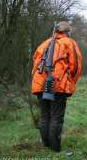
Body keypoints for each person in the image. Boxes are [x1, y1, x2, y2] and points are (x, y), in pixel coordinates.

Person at [31, 21, 82, 152]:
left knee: (44, 116)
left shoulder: (44, 44)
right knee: (56, 117)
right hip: (58, 84)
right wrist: (70, 82)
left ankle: (46, 146)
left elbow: (35, 64)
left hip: (39, 84)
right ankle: (54, 149)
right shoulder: (69, 42)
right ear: (67, 32)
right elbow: (75, 66)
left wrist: (37, 81)